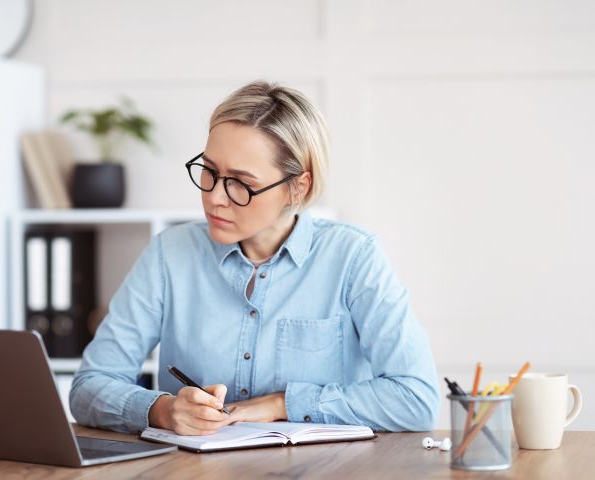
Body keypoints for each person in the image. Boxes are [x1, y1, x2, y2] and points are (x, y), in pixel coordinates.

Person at [70, 81, 440, 435]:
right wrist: (161, 410)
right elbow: (90, 386)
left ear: (298, 187)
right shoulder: (170, 254)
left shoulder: (354, 257)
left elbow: (415, 399)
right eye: (210, 172)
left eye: (241, 183)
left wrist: (283, 404)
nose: (215, 197)